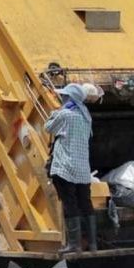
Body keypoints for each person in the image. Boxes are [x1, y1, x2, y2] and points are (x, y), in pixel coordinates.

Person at [44, 83, 103, 255]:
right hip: (83, 169)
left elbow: (48, 127)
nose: (62, 98)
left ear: (69, 98)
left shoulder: (65, 114)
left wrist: (54, 113)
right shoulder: (86, 116)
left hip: (64, 168)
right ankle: (92, 244)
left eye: (64, 96)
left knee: (70, 204)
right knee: (85, 203)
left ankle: (74, 244)